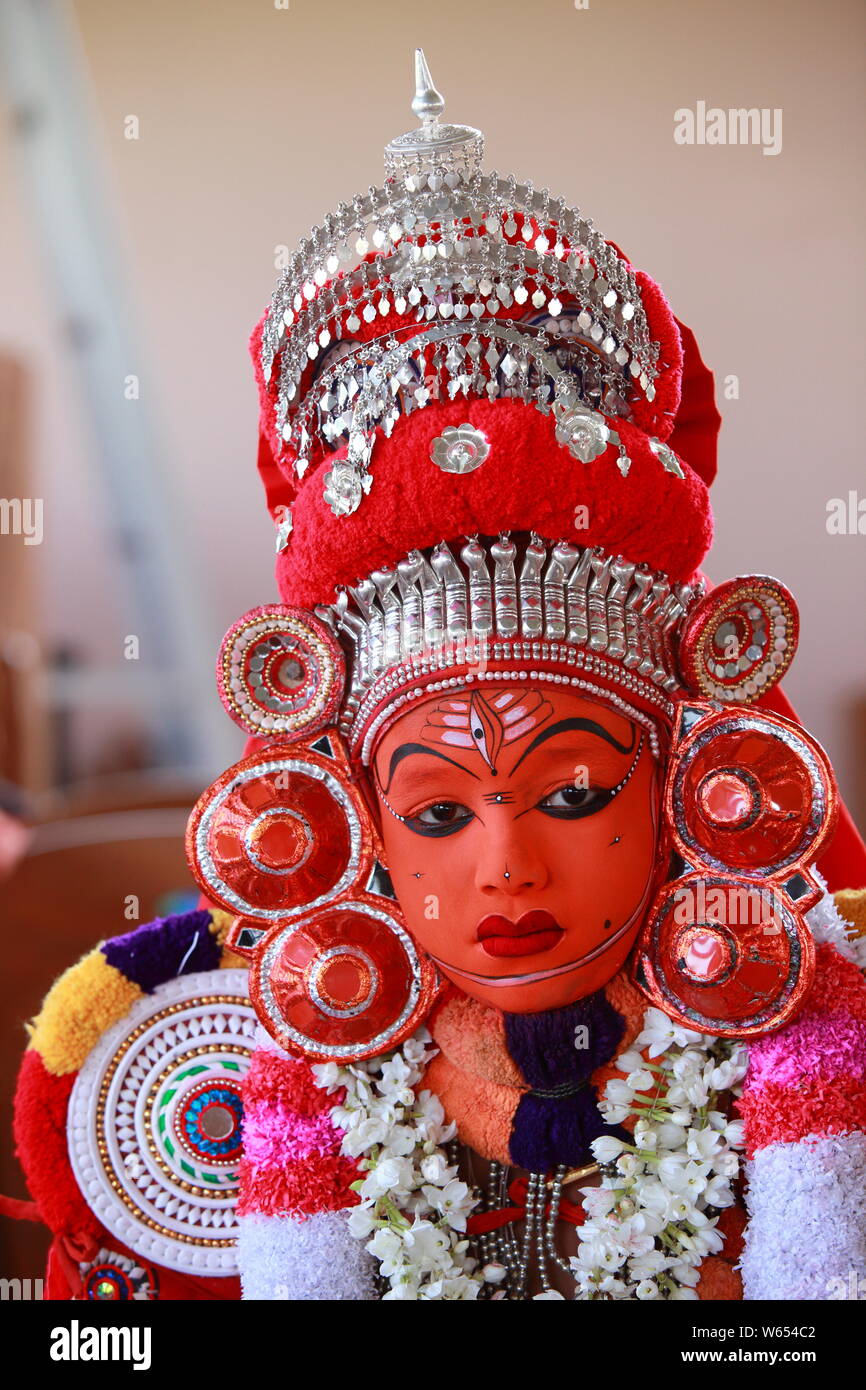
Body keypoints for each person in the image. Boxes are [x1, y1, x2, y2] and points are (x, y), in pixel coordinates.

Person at [11, 50, 866, 1301]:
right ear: (355, 820)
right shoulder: (263, 1047)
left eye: (572, 792)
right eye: (436, 811)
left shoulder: (798, 1013)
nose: (506, 865)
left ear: (682, 787)